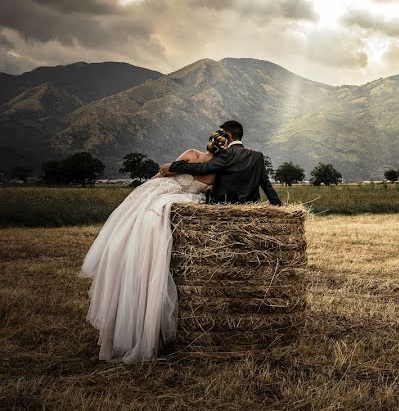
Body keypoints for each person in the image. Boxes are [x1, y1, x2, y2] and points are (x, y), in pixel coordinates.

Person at [79, 129, 229, 363]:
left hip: (158, 193)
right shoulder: (217, 173)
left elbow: (164, 172)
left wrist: (149, 185)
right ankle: (144, 331)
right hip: (181, 200)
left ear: (208, 143)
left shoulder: (191, 154)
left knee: (127, 231)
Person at [160, 120, 281, 205]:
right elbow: (266, 185)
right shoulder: (257, 156)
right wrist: (279, 209)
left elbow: (202, 168)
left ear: (228, 135)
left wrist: (173, 166)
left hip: (224, 205)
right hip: (251, 206)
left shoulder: (225, 154)